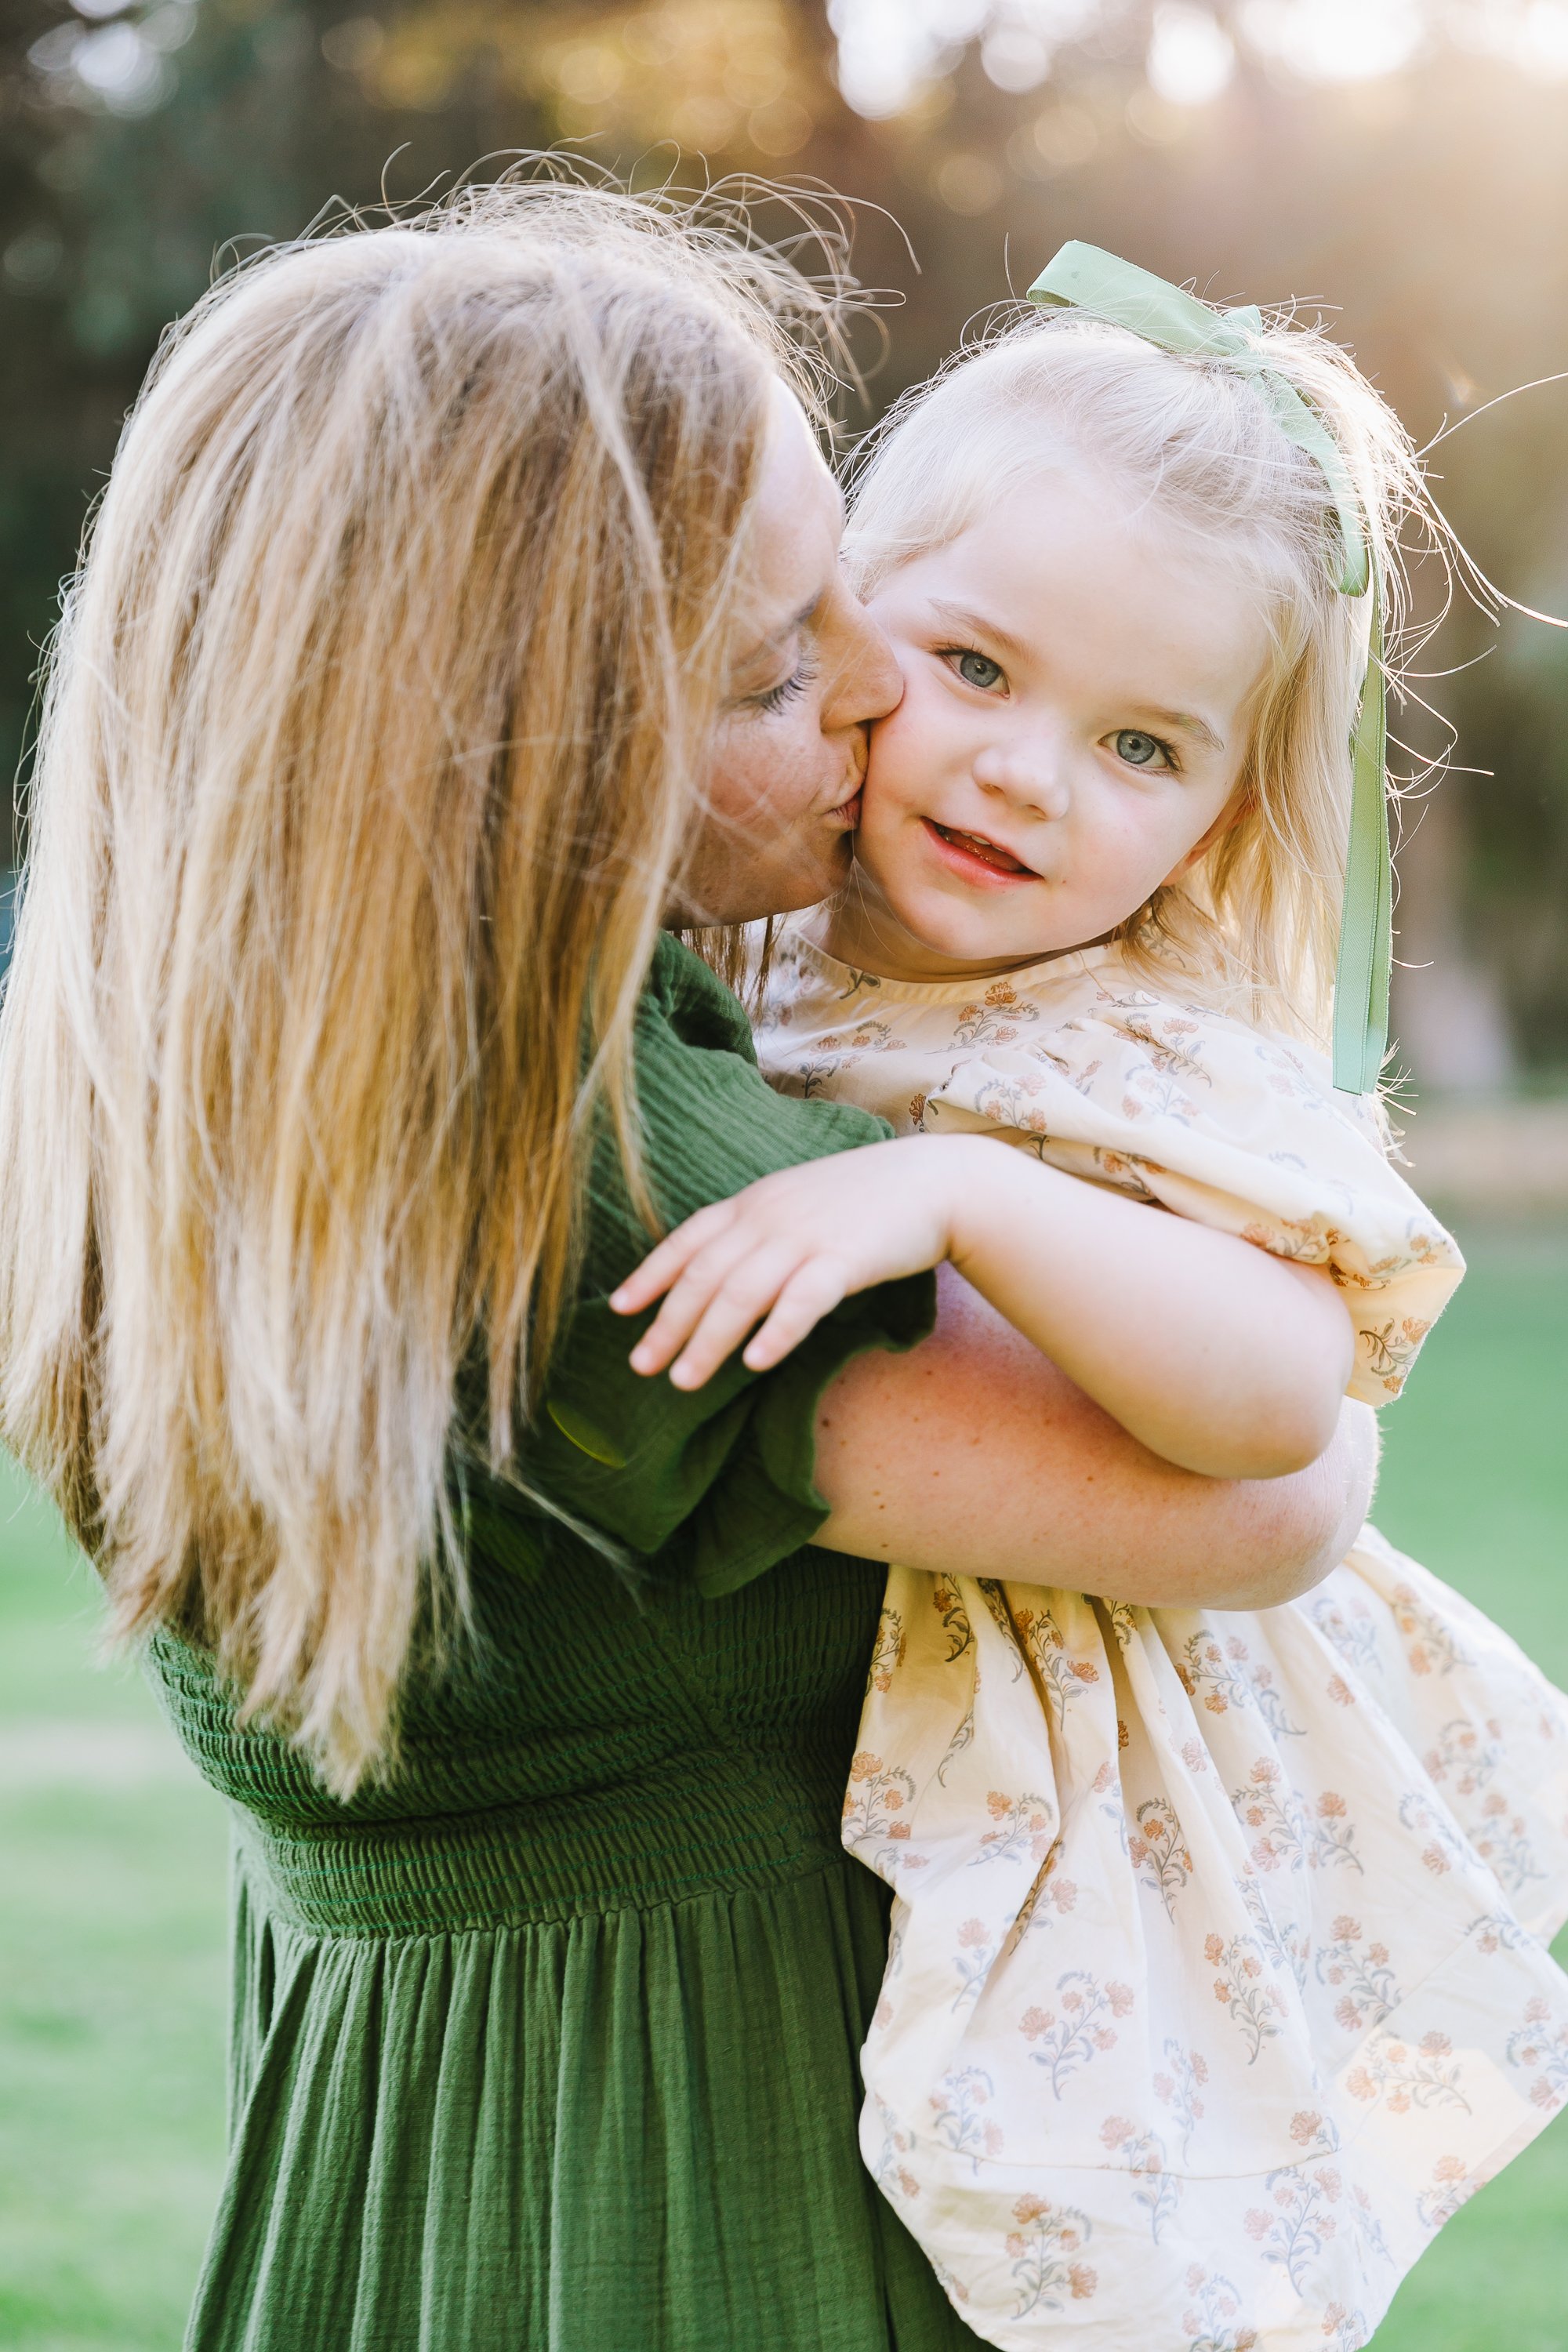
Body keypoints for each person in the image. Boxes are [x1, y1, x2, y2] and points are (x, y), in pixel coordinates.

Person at [0, 188, 1375, 2352]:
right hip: (681, 2179)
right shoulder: (602, 1174)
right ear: (515, 737)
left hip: (433, 2133)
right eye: (776, 657)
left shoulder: (216, 1064)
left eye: (853, 594)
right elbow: (1280, 1499)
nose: (875, 696)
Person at [614, 249, 1568, 2351]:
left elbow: (1276, 1394)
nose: (1029, 774)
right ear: (839, 616)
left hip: (1128, 1807)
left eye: (1139, 743)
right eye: (971, 663)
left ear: (1229, 810)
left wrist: (961, 1191)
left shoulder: (1144, 1054)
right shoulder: (740, 962)